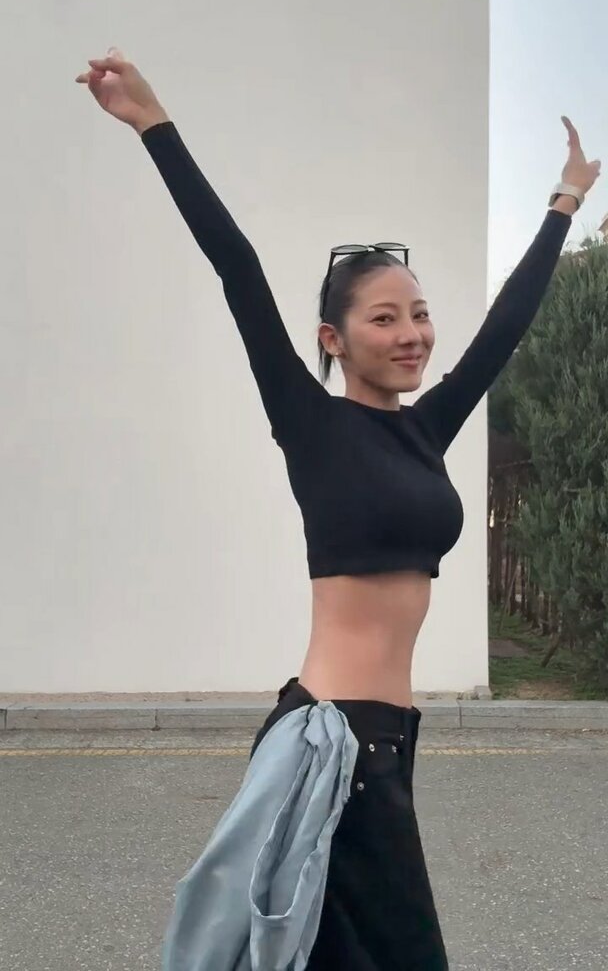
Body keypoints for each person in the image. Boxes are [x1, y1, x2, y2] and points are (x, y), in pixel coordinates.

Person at [76, 49, 601, 970]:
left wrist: (564, 203)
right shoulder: (311, 424)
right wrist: (153, 123)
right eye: (384, 318)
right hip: (334, 740)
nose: (412, 334)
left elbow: (504, 329)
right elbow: (237, 266)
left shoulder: (427, 429)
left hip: (389, 740)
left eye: (418, 314)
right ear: (334, 337)